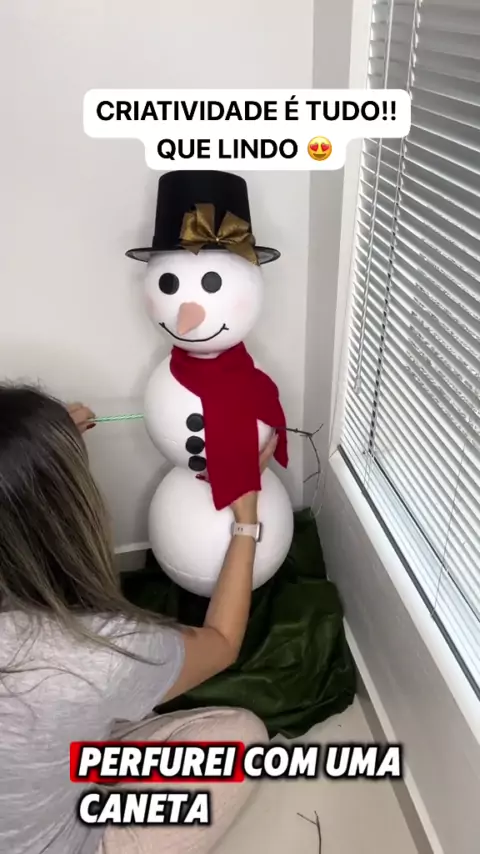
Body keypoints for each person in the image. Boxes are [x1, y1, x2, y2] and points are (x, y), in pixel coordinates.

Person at [0, 384, 277, 854]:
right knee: (243, 739)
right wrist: (246, 520)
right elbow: (222, 642)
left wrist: (33, 450)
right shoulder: (91, 653)